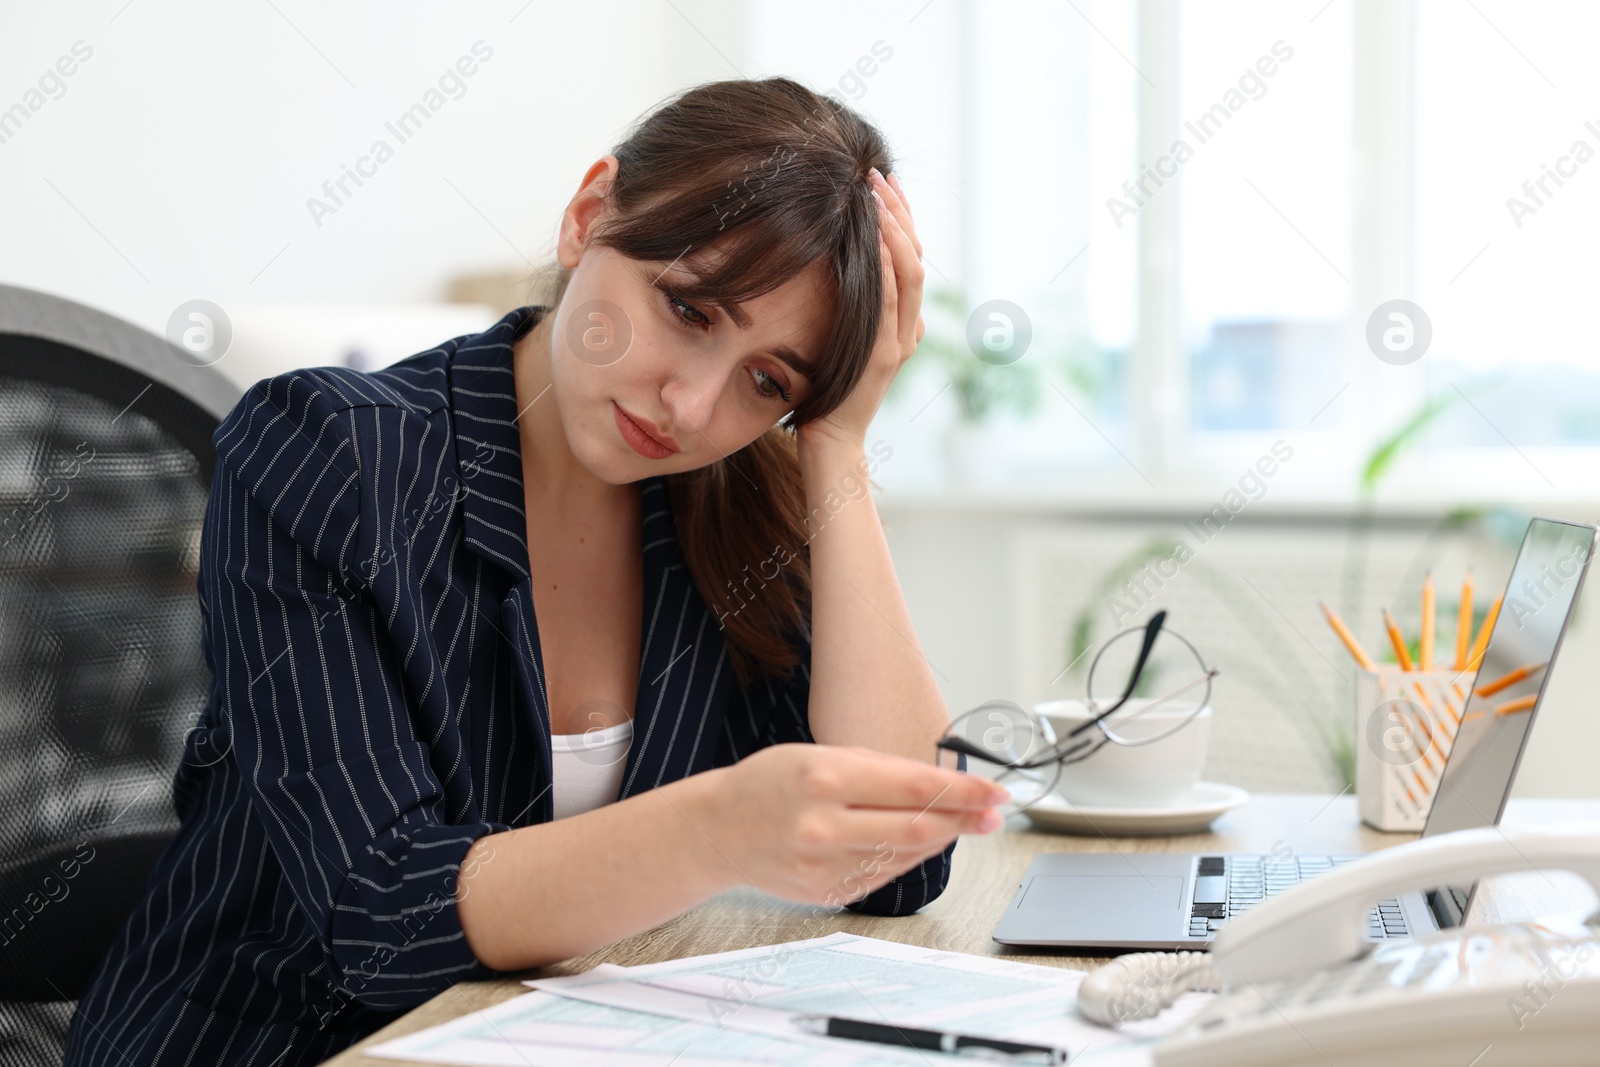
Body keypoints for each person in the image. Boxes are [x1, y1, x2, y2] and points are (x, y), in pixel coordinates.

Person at [63, 75, 1006, 1067]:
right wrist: (717, 828)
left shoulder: (736, 501)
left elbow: (895, 861)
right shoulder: (330, 452)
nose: (689, 402)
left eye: (767, 379)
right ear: (590, 214)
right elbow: (381, 908)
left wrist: (837, 445)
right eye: (687, 308)